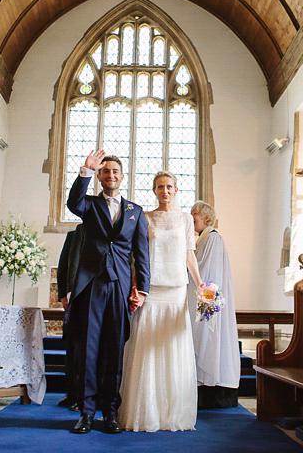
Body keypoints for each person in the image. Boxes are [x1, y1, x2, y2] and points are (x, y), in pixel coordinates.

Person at [66, 150, 150, 434]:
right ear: (100, 177)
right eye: (105, 171)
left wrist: (143, 290)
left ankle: (110, 411)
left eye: (115, 171)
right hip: (92, 284)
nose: (110, 175)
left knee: (114, 350)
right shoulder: (89, 204)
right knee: (89, 350)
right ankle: (86, 413)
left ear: (122, 177)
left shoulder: (135, 212)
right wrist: (84, 172)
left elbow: (141, 254)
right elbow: (73, 203)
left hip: (121, 287)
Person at [119, 170, 204, 432]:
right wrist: (135, 286)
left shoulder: (186, 219)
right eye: (159, 187)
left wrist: (201, 285)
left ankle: (172, 412)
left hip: (177, 288)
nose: (164, 191)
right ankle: (145, 411)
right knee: (147, 346)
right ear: (154, 191)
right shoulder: (144, 217)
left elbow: (189, 254)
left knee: (173, 346)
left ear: (176, 190)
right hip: (151, 288)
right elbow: (138, 256)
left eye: (169, 187)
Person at [189, 200, 241, 408]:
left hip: (207, 301)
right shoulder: (202, 238)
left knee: (208, 340)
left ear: (206, 218)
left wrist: (206, 308)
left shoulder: (213, 239)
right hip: (203, 299)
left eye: (194, 214)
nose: (190, 217)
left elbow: (208, 272)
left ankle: (212, 388)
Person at [56, 223, 86, 411]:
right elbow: (63, 266)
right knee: (74, 348)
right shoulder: (74, 235)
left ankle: (87, 394)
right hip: (75, 299)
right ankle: (72, 393)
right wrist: (63, 294)